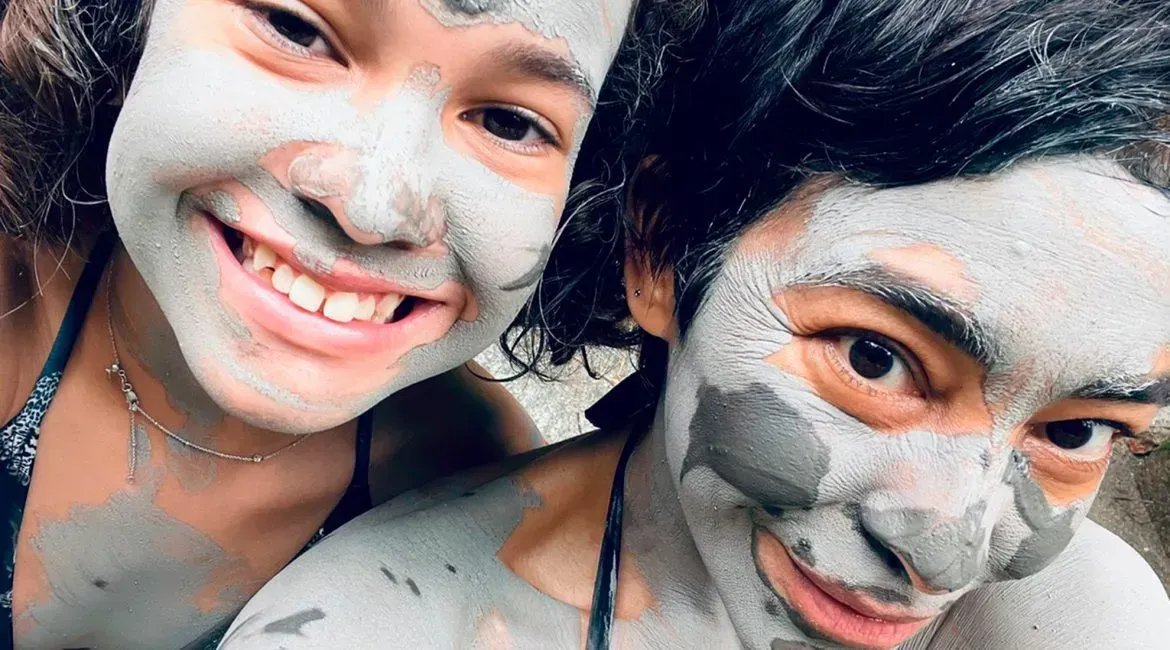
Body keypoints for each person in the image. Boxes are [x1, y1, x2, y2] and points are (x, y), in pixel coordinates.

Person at [219, 0, 1170, 648]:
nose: (949, 552)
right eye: (876, 359)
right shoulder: (372, 628)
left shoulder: (1088, 617)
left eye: (1077, 430)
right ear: (663, 250)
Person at [0, 0, 696, 646]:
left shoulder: (474, 484)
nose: (370, 208)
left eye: (509, 123)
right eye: (295, 29)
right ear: (133, 19)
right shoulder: (15, 282)